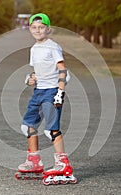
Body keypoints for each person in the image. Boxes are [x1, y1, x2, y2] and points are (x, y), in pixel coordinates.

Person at [17, 13, 76, 185]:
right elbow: (37, 71)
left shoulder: (53, 47)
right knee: (27, 127)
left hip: (52, 91)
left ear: (48, 29)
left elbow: (62, 70)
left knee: (51, 130)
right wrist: (30, 78)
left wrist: (60, 92)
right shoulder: (34, 49)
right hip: (39, 91)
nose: (38, 30)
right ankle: (34, 161)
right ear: (30, 29)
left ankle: (62, 164)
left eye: (41, 27)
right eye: (34, 27)